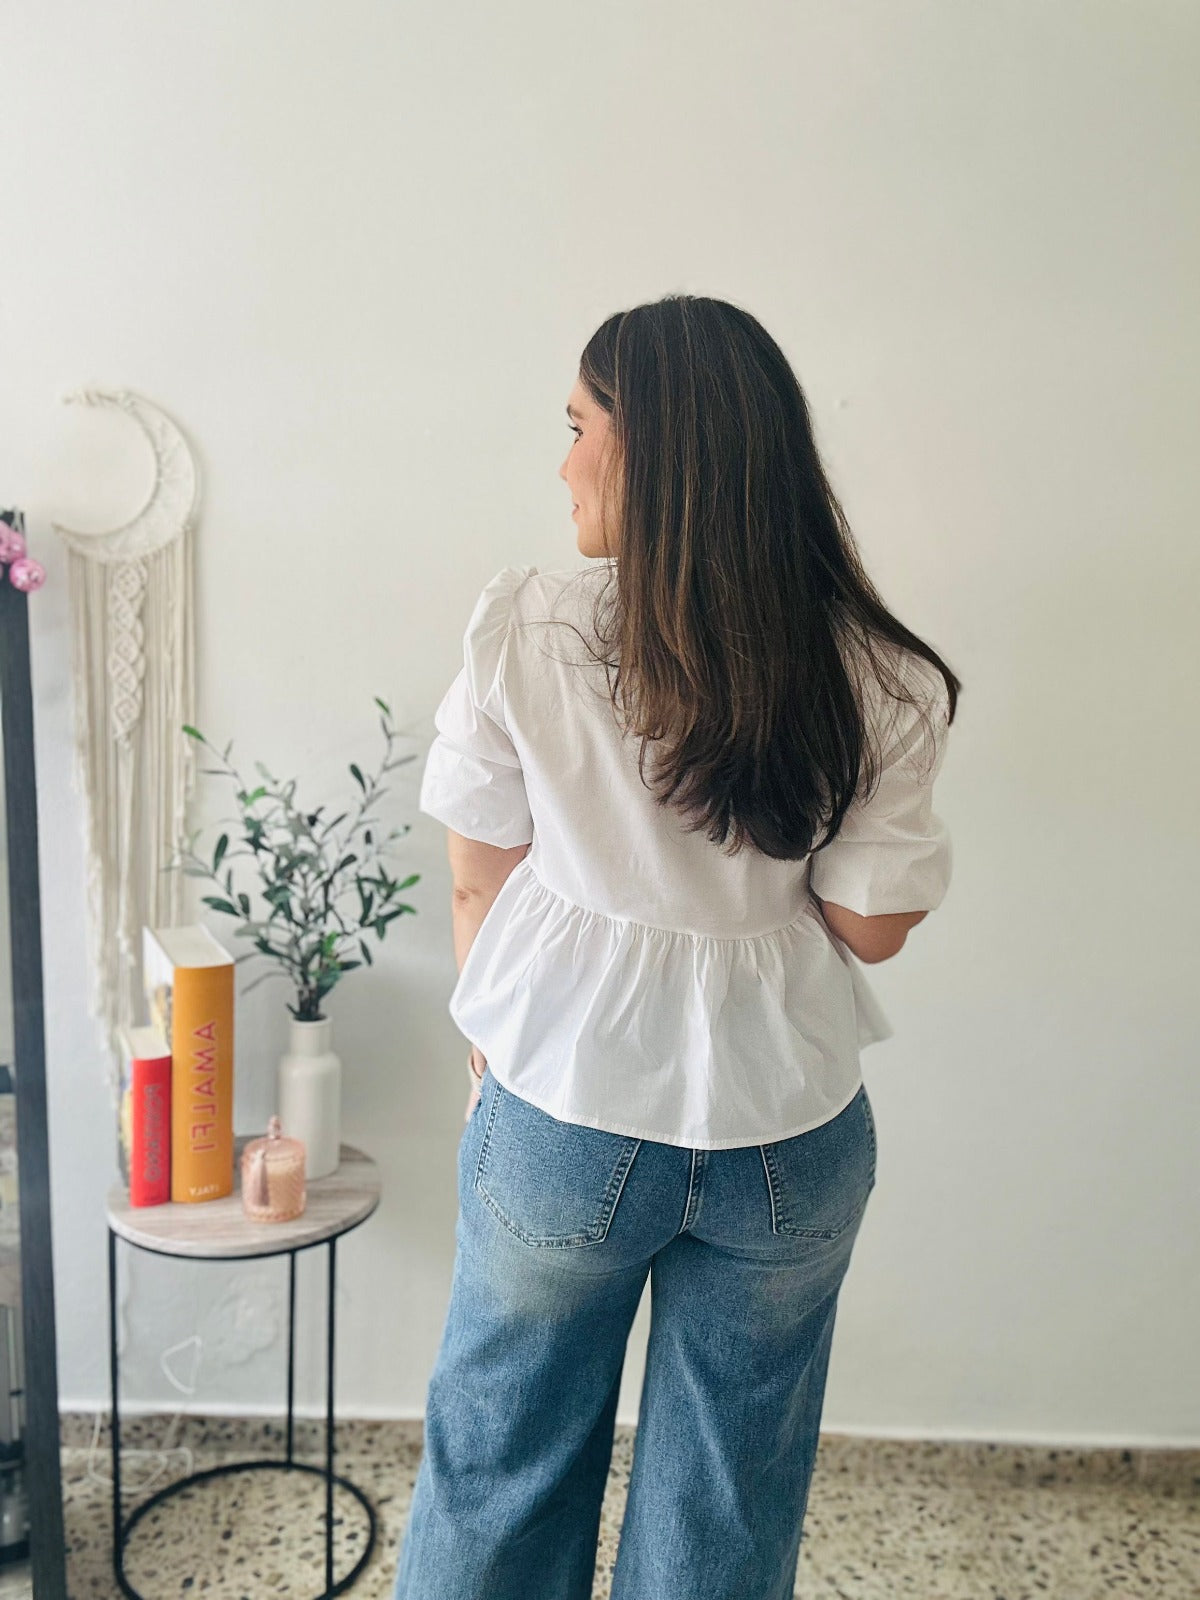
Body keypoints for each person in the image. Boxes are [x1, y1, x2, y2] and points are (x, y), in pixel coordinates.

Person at [392, 294, 960, 1600]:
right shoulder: (874, 670)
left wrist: (499, 1037)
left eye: (579, 425)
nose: (564, 459)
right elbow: (873, 927)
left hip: (565, 1109)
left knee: (502, 1467)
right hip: (789, 1135)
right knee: (724, 1503)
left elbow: (480, 876)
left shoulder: (528, 627)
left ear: (655, 451)